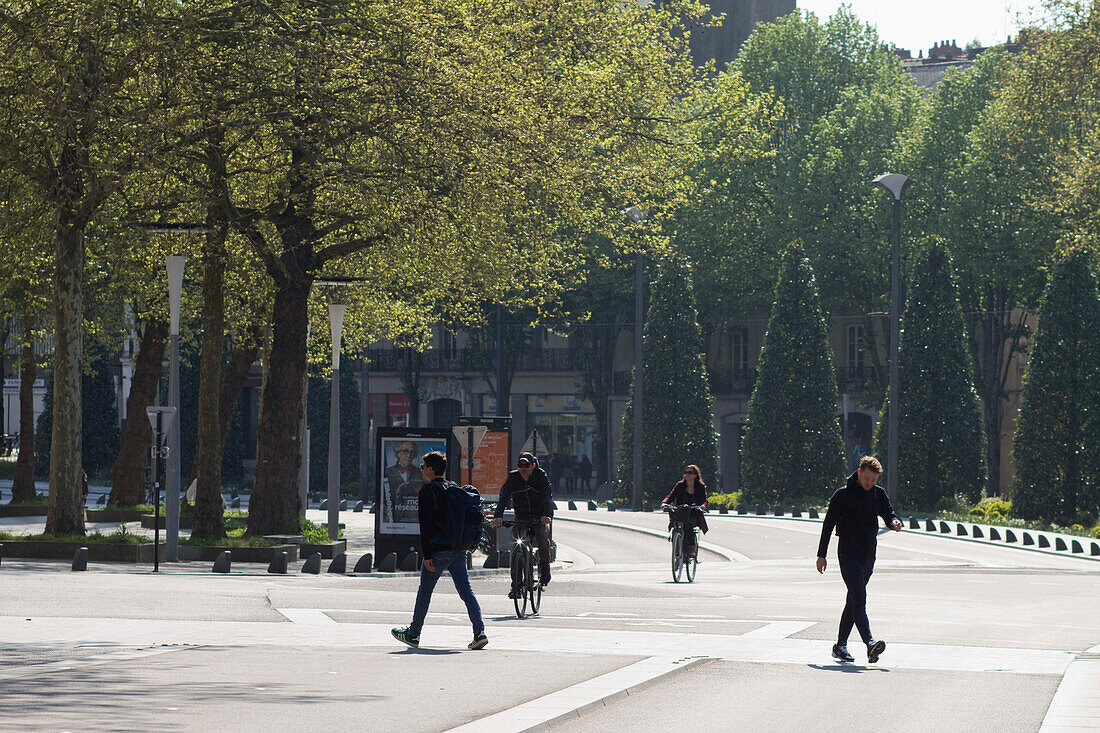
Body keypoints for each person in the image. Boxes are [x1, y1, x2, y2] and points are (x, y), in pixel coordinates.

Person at [392, 451, 488, 650]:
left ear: (430, 469)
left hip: (438, 551)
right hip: (458, 549)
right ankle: (479, 632)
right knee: (466, 591)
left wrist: (427, 555)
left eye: (423, 467)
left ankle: (413, 634)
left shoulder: (427, 491)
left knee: (425, 591)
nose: (421, 470)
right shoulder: (452, 488)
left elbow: (425, 526)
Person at [816, 454, 902, 664]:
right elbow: (828, 525)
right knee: (859, 597)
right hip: (847, 554)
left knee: (853, 599)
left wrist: (894, 522)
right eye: (867, 479)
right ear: (859, 473)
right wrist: (821, 554)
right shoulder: (842, 495)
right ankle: (870, 643)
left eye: (873, 481)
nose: (869, 484)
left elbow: (888, 513)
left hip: (868, 555)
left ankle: (840, 646)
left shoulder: (878, 494)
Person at [493, 452, 554, 593]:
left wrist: (546, 515)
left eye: (526, 466)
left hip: (539, 516)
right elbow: (504, 497)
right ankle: (516, 585)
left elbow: (547, 497)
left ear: (533, 466)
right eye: (520, 466)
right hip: (521, 516)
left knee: (542, 539)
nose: (523, 469)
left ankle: (545, 570)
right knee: (516, 547)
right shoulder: (513, 477)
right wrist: (498, 516)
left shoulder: (540, 476)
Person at [661, 464, 709, 558]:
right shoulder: (680, 485)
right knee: (676, 526)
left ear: (695, 475)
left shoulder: (700, 486)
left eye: (690, 472)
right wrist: (664, 503)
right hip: (681, 512)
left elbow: (704, 500)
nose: (687, 475)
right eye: (685, 472)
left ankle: (691, 549)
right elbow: (670, 496)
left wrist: (703, 506)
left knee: (689, 524)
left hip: (694, 513)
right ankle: (677, 548)